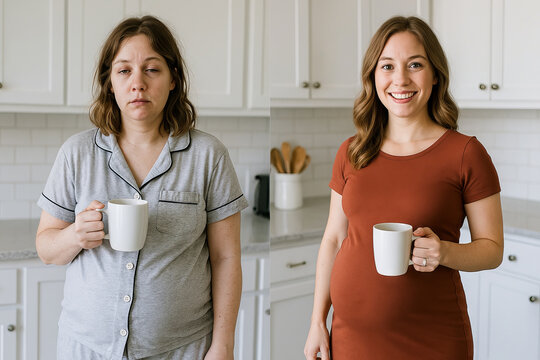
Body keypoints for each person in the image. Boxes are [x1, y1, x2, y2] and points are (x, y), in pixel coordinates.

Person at [36, 15, 248, 360]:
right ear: (109, 83)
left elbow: (226, 258)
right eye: (124, 71)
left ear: (173, 79)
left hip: (183, 349)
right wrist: (76, 234)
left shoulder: (208, 156)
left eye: (152, 69)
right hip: (86, 348)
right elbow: (46, 248)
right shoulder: (76, 153)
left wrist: (223, 345)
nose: (138, 83)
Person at [304, 16, 503, 360]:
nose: (400, 79)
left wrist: (445, 252)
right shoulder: (352, 151)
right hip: (350, 338)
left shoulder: (466, 153)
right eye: (387, 66)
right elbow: (334, 239)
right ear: (373, 76)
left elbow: (492, 249)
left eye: (415, 64)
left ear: (435, 74)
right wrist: (317, 321)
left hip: (432, 338)